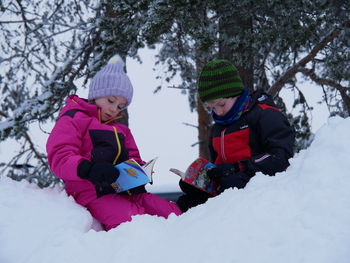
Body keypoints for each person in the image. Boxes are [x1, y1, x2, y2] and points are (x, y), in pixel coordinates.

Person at [46, 55, 181, 230]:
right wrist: (89, 169)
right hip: (93, 193)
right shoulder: (74, 118)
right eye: (111, 101)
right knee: (134, 223)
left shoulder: (121, 129)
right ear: (96, 94)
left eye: (120, 106)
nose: (114, 109)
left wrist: (139, 170)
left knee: (172, 214)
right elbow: (60, 156)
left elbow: (133, 156)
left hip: (127, 191)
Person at [176, 59, 295, 212]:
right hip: (227, 198)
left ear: (235, 94)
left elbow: (281, 157)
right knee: (185, 204)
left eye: (221, 104)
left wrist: (239, 168)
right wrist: (200, 184)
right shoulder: (218, 129)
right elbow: (220, 170)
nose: (218, 112)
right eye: (212, 107)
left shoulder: (265, 114)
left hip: (262, 197)